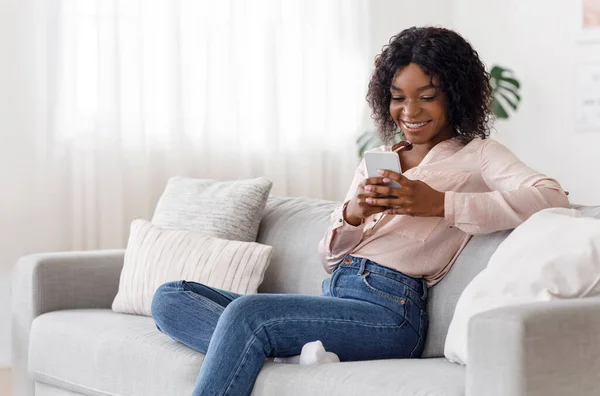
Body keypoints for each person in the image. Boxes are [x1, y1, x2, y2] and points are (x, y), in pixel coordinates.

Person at [150, 26, 570, 396]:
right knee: (170, 297)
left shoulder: (479, 156)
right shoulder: (380, 157)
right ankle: (277, 349)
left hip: (390, 314)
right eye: (397, 98)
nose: (409, 112)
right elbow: (329, 258)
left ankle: (266, 344)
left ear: (455, 95)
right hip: (338, 293)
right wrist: (353, 213)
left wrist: (439, 204)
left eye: (426, 97)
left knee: (248, 315)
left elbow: (552, 198)